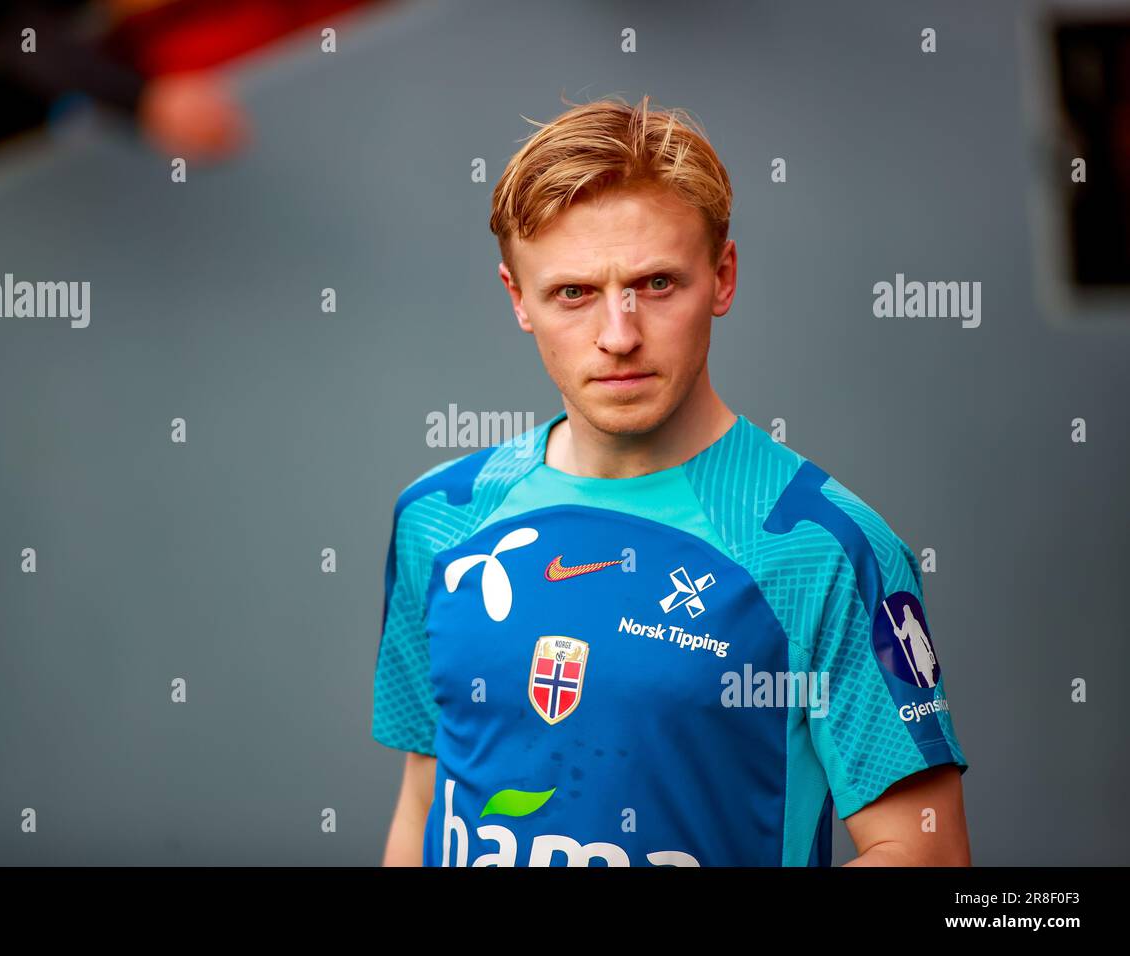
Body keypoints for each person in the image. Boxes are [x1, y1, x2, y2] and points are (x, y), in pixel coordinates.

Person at [371, 94, 970, 867]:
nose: (617, 336)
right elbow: (423, 800)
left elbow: (928, 853)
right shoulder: (438, 519)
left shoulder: (825, 550)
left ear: (721, 278)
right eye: (573, 293)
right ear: (518, 299)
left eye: (656, 284)